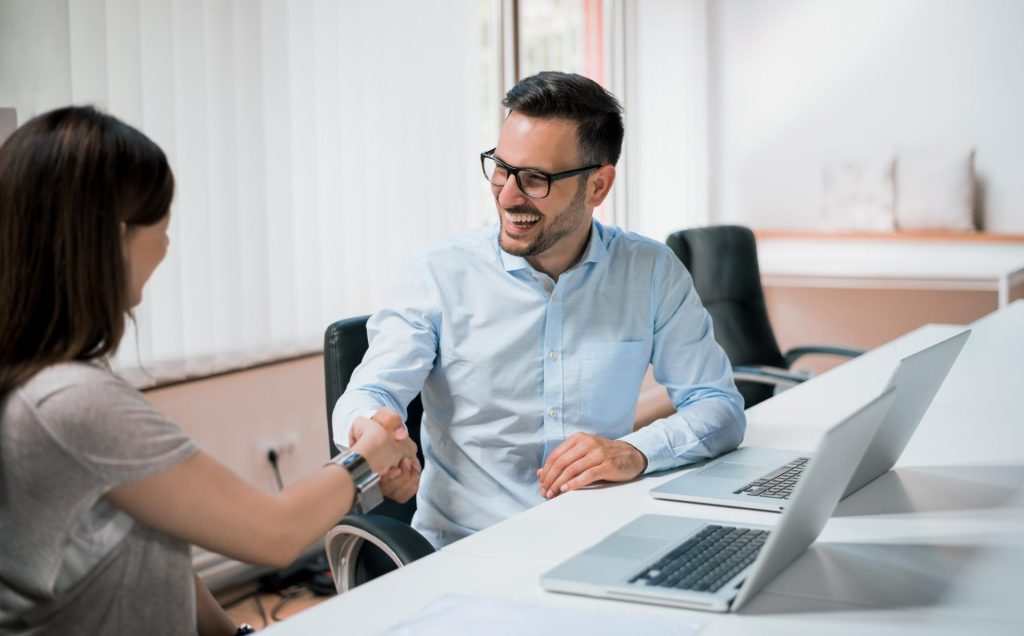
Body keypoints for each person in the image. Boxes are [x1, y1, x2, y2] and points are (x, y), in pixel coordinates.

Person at [0, 106, 417, 636]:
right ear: (110, 238)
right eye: (160, 222)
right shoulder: (72, 402)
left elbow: (156, 536)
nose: (168, 244)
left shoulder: (37, 379)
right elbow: (275, 532)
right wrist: (370, 458)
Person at [332, 71, 745, 549]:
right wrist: (373, 433)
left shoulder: (649, 271)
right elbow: (369, 392)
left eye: (535, 179)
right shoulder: (437, 275)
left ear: (598, 186)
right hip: (468, 550)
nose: (508, 196)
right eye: (501, 168)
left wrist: (635, 450)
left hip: (599, 538)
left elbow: (719, 406)